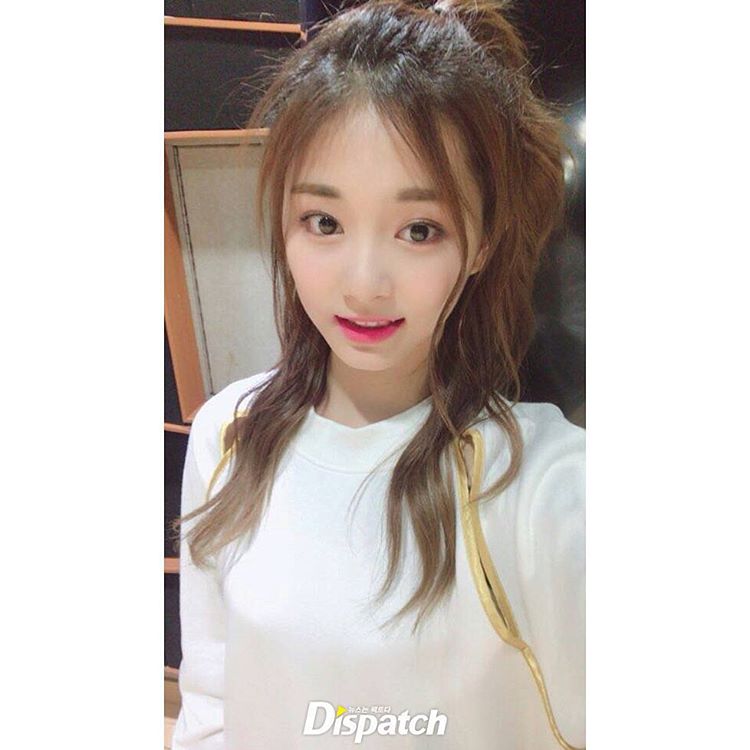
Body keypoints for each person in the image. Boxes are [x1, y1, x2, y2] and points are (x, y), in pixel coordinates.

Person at [170, 1, 585, 748]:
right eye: (324, 222)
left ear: (481, 242)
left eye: (419, 230)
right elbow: (211, 702)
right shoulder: (228, 436)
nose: (363, 285)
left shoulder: (539, 485)